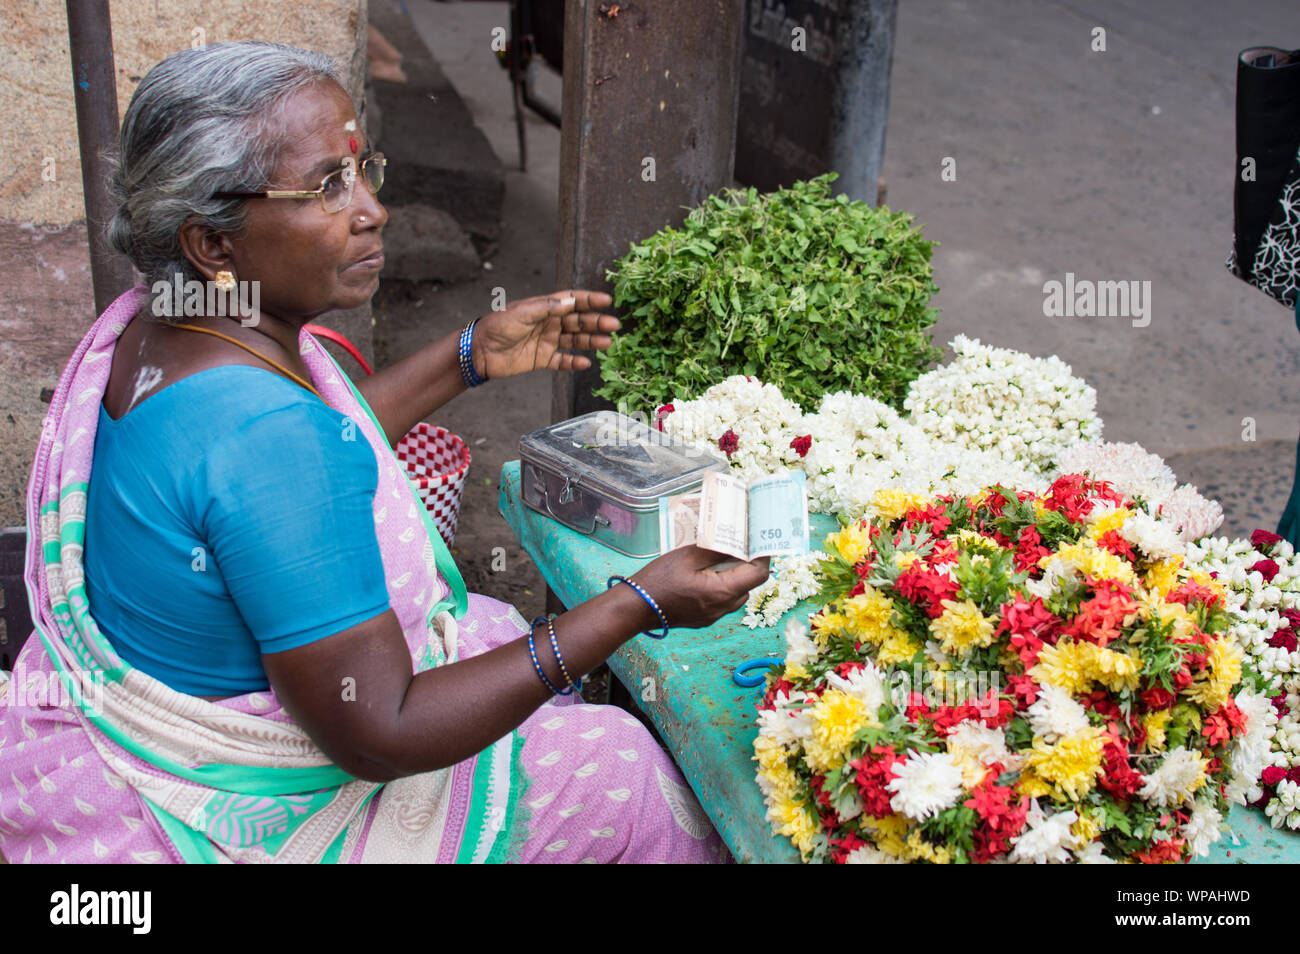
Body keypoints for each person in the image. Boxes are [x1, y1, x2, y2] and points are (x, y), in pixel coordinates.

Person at [0, 41, 768, 864]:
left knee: (491, 641)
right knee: (624, 769)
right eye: (327, 186)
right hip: (256, 797)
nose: (371, 209)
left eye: (364, 169)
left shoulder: (160, 330)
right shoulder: (267, 440)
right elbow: (382, 732)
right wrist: (631, 606)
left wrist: (467, 357)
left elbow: (307, 453)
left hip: (120, 732)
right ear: (212, 245)